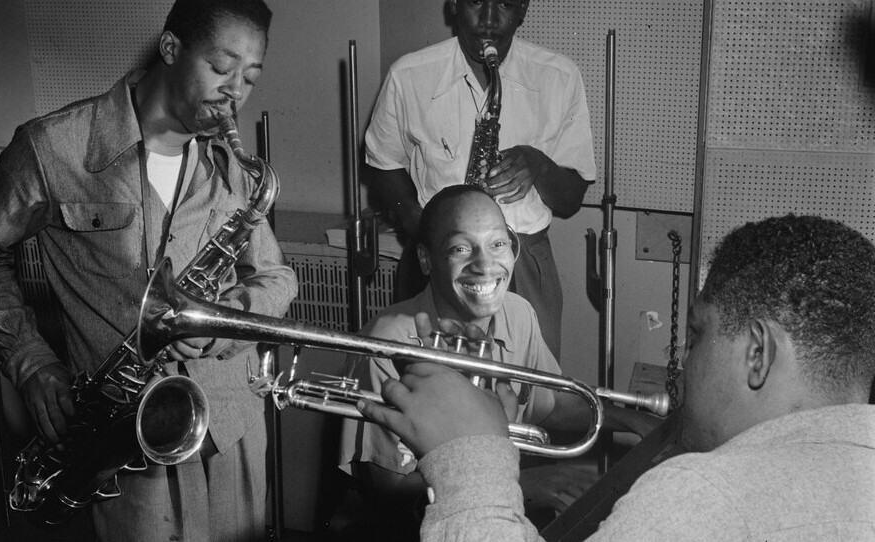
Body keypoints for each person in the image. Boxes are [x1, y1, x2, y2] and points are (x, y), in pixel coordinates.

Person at [360, 213, 875, 541]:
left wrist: (470, 458)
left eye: (695, 336)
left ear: (758, 355)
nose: (683, 359)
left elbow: (544, 404)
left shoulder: (698, 496)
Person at [0, 1, 296, 540]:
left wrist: (221, 323)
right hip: (123, 436)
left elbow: (276, 278)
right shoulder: (51, 148)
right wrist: (29, 360)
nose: (235, 93)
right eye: (221, 69)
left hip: (230, 421)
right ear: (171, 48)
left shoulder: (235, 170)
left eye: (250, 78)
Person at [337, 185, 656, 540]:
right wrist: (526, 482)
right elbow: (388, 484)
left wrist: (634, 420)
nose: (485, 264)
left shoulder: (518, 313)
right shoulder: (390, 340)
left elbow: (551, 407)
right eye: (460, 248)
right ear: (427, 260)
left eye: (498, 244)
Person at [365, 0, 597, 360]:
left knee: (530, 394)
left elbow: (570, 200)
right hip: (437, 255)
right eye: (475, 1)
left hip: (524, 259)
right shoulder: (408, 75)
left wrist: (539, 166)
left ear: (523, 9)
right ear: (453, 4)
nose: (488, 20)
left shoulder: (559, 77)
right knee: (430, 388)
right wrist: (421, 227)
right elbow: (382, 165)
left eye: (504, 4)